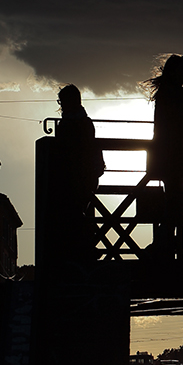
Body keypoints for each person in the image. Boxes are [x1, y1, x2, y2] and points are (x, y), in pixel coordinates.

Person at [141, 54, 183, 257]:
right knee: (179, 202)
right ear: (175, 71)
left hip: (169, 156)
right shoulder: (176, 93)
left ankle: (162, 244)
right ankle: (161, 245)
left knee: (175, 201)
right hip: (174, 156)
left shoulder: (168, 93)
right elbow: (177, 128)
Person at [54, 84, 104, 261]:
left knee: (75, 213)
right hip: (87, 174)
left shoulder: (68, 124)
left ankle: (82, 249)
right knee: (84, 211)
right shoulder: (85, 122)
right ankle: (88, 246)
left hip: (73, 176)